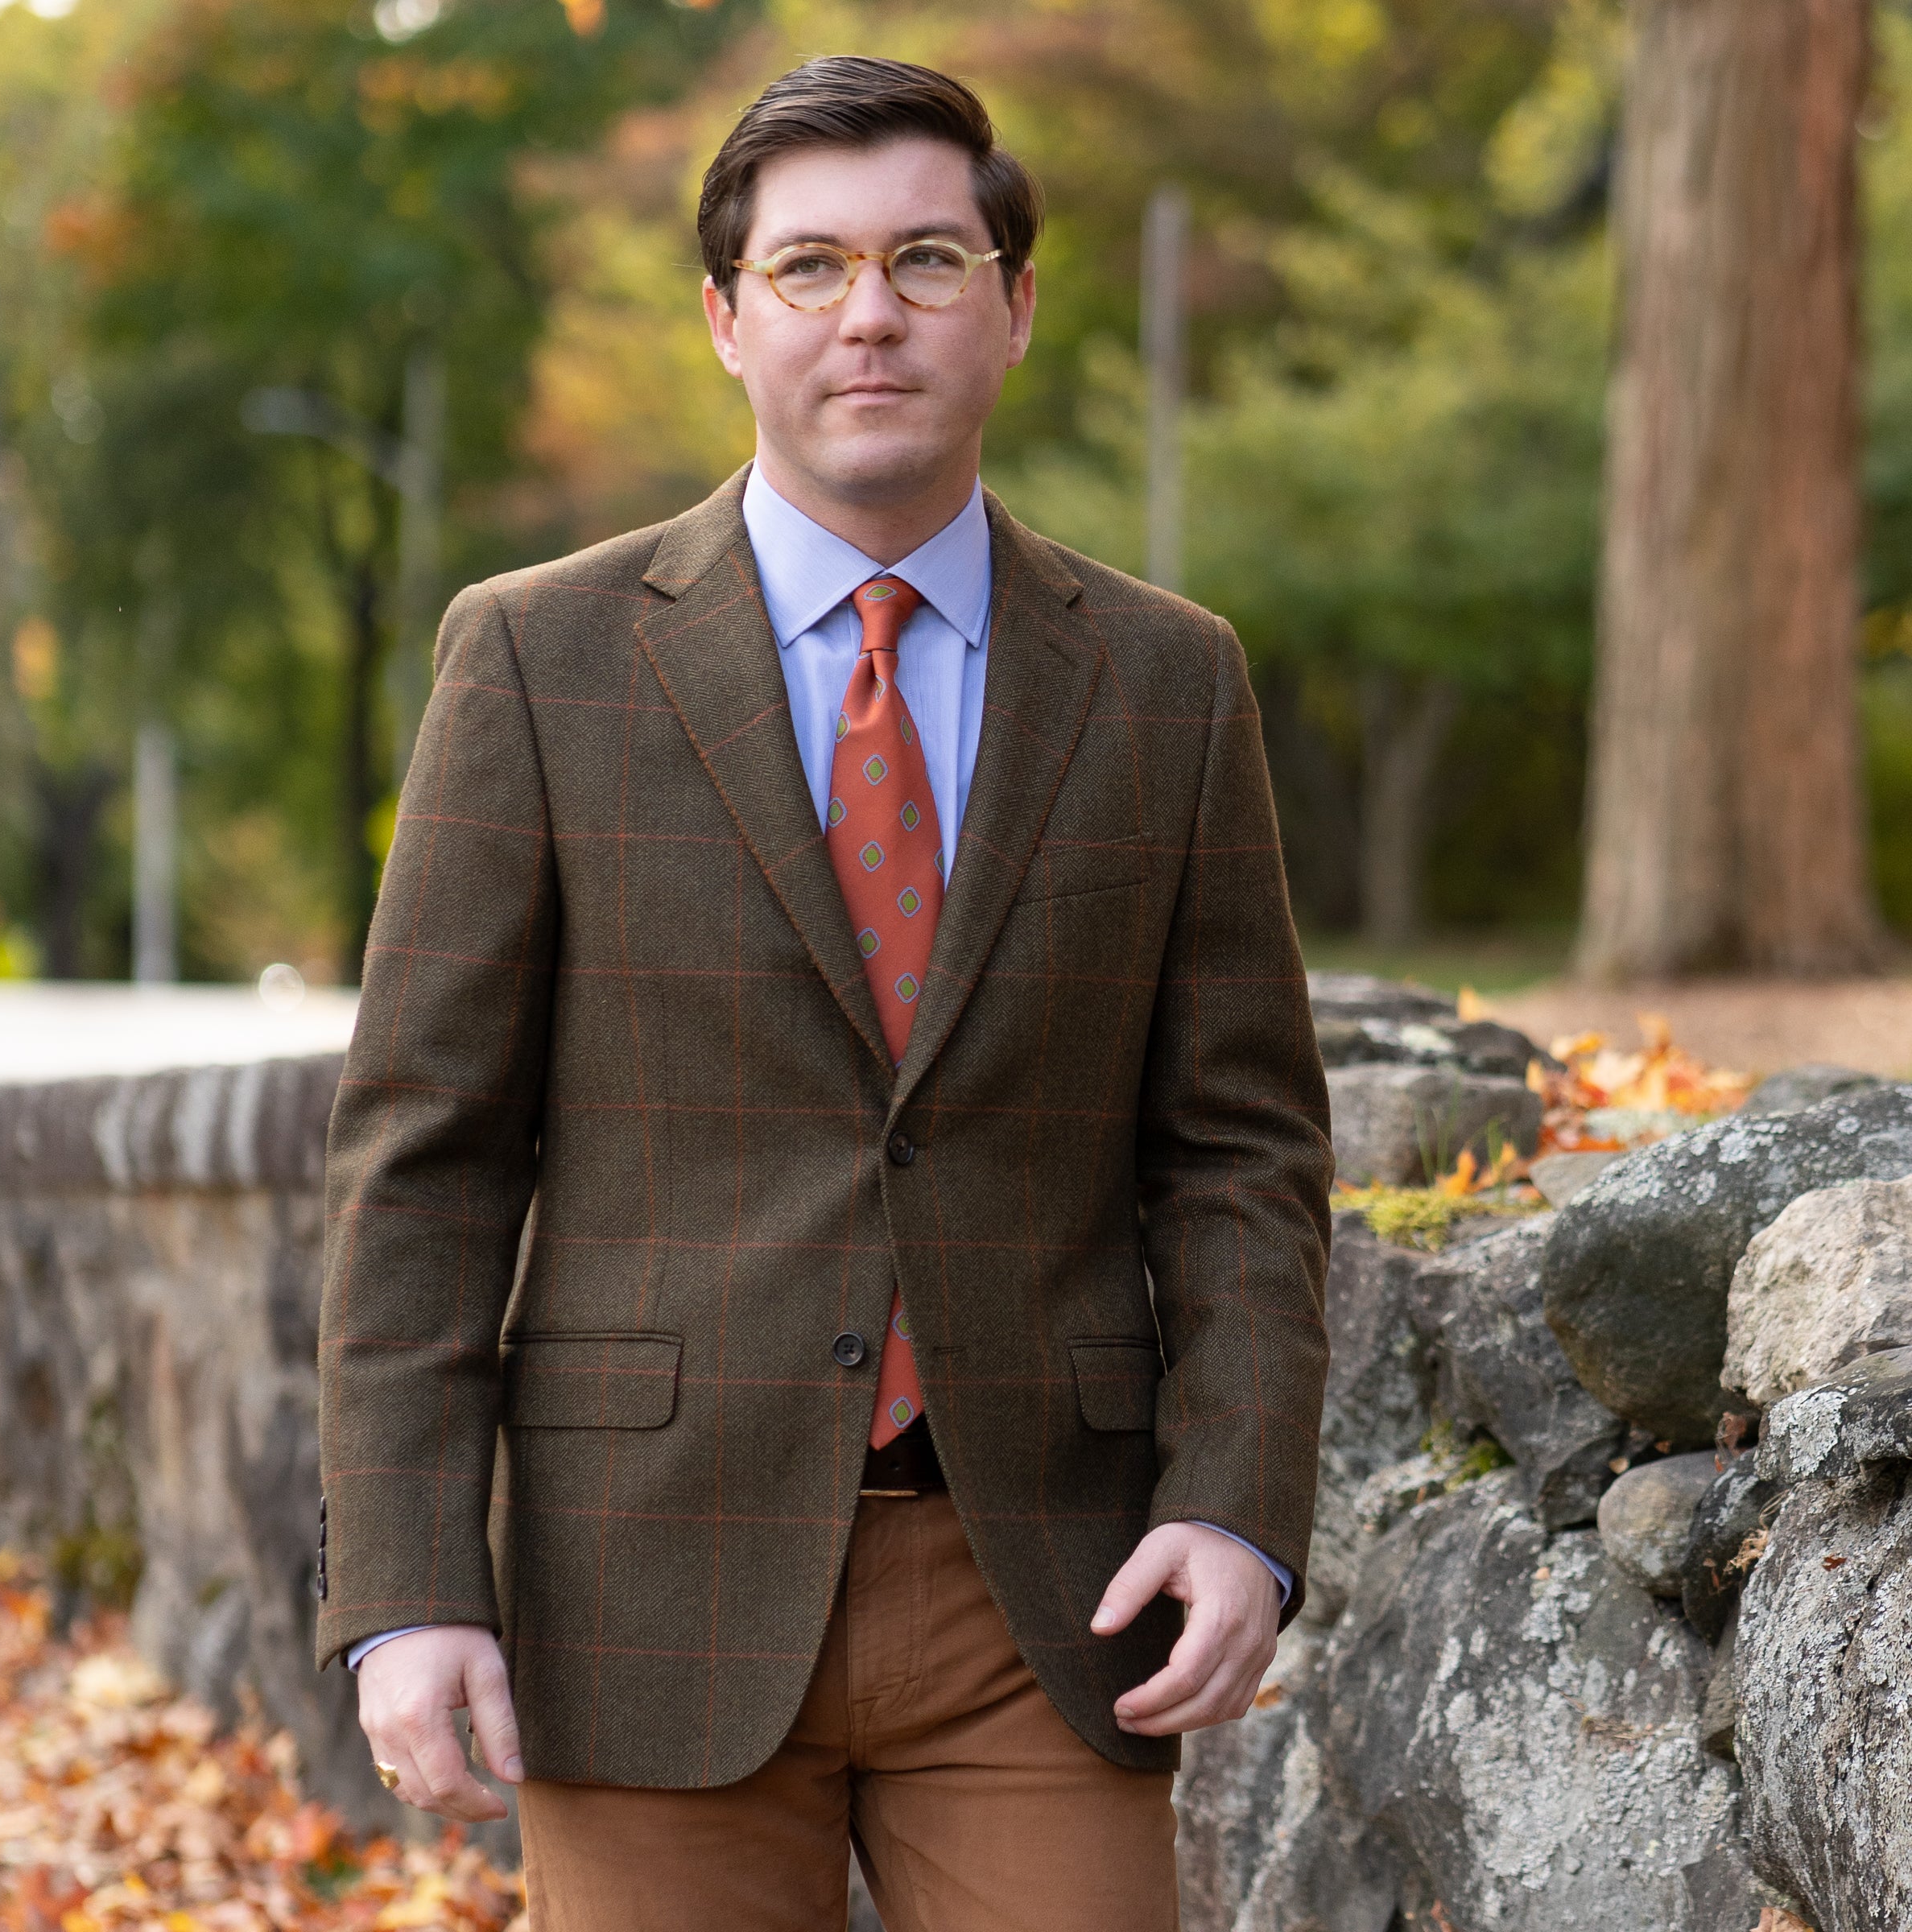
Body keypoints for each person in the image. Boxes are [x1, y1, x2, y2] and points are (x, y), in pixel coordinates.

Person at [314, 54, 1332, 1932]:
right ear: (725, 317)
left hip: (1049, 1585)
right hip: (645, 1588)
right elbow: (426, 1167)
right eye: (810, 268)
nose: (871, 313)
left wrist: (1243, 1497)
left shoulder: (1170, 686)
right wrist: (407, 1585)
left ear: (1015, 308)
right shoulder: (537, 661)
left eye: (929, 260)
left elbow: (1242, 1153)